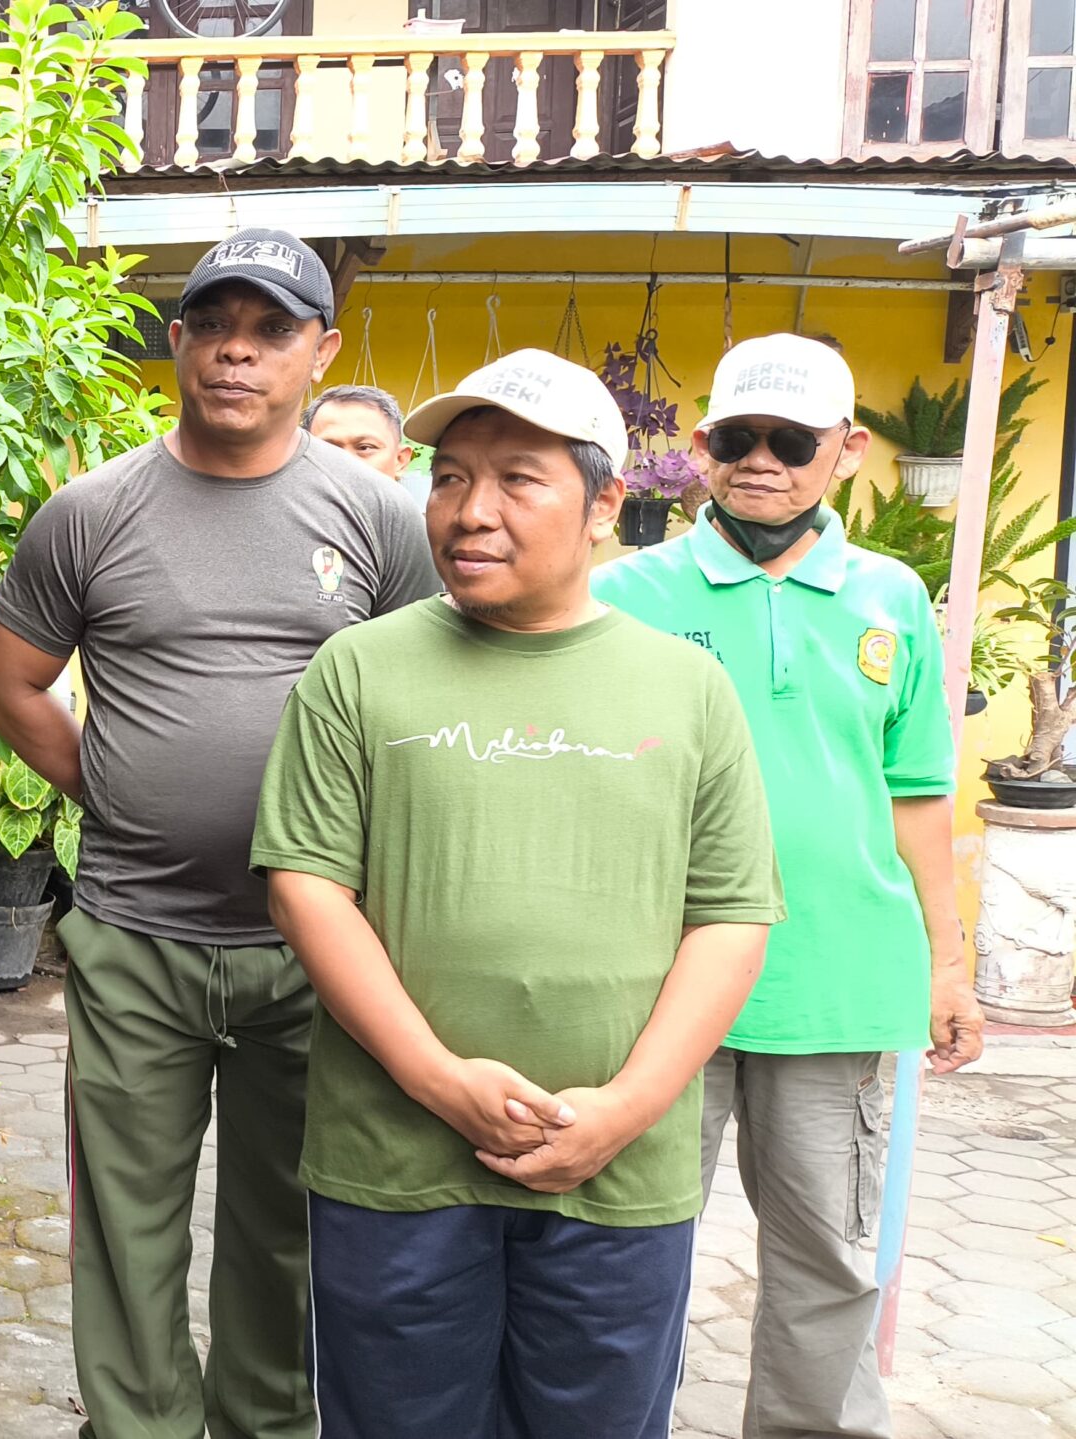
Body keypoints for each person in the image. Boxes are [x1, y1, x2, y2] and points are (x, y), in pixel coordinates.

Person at [252, 348, 784, 1438]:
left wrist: (627, 1107)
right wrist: (436, 1075)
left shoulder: (686, 686)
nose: (469, 510)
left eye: (515, 479)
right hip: (393, 1163)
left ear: (605, 504)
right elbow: (306, 886)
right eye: (448, 477)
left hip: (616, 1174)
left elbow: (728, 915)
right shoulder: (356, 668)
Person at [0, 229, 440, 1439]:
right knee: (124, 1222)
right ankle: (137, 1424)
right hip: (135, 933)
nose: (239, 347)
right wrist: (116, 790)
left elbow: (429, 700)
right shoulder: (89, 512)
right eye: (214, 321)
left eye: (273, 327)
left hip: (317, 943)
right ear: (176, 339)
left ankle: (264, 1422)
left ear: (321, 350)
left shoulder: (381, 519)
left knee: (285, 1216)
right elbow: (13, 684)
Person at [596, 333, 979, 1439]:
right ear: (704, 445)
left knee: (826, 1255)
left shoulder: (891, 597)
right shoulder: (628, 591)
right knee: (630, 1247)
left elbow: (915, 792)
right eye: (734, 436)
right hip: (656, 979)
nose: (760, 459)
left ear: (845, 450)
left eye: (791, 439)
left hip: (837, 980)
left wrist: (946, 964)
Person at [306, 382, 429, 509]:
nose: (346, 463)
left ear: (400, 460)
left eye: (365, 448)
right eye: (329, 449)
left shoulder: (421, 527)